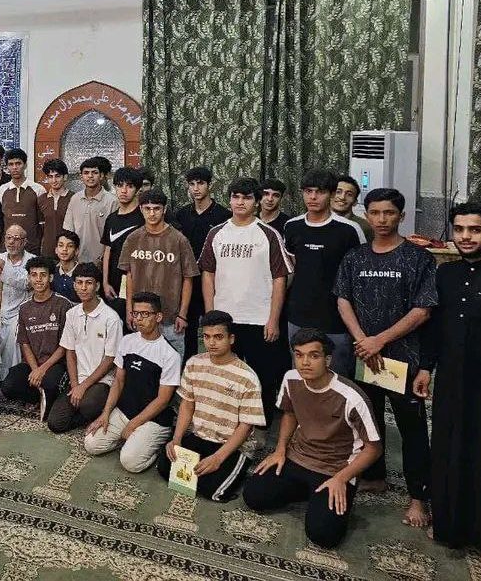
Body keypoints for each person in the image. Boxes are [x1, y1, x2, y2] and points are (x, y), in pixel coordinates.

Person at [414, 202, 481, 574]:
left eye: (475, 230)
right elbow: (435, 328)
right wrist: (426, 367)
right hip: (452, 382)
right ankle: (450, 527)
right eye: (459, 229)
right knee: (449, 450)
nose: (465, 237)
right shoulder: (446, 274)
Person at [334, 187, 436, 527]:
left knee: (412, 430)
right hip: (365, 356)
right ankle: (374, 476)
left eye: (389, 213)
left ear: (401, 216)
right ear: (367, 215)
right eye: (375, 213)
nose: (381, 219)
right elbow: (343, 299)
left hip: (402, 360)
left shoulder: (418, 258)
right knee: (369, 420)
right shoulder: (355, 257)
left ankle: (418, 497)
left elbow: (423, 310)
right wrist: (363, 340)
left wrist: (380, 340)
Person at [243, 328, 381, 549]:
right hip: (298, 457)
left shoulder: (352, 397)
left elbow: (373, 448)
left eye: (313, 356)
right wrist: (280, 450)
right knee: (254, 496)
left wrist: (342, 478)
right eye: (299, 355)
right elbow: (289, 413)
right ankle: (309, 492)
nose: (305, 362)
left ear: (327, 360)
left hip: (335, 468)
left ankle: (324, 496)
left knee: (323, 534)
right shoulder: (291, 379)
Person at [199, 178, 292, 424]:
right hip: (225, 320)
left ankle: (260, 425)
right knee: (226, 373)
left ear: (257, 202)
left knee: (262, 376)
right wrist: (211, 316)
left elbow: (279, 279)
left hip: (259, 319)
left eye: (247, 198)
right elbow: (208, 273)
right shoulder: (216, 233)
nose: (240, 202)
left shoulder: (268, 234)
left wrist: (273, 319)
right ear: (229, 200)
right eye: (236, 197)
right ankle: (228, 421)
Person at [158, 310, 265, 501]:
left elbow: (246, 426)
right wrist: (176, 439)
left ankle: (233, 468)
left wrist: (218, 458)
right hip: (200, 435)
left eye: (218, 337)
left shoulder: (247, 377)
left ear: (231, 339)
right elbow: (187, 405)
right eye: (207, 337)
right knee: (165, 466)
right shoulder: (194, 363)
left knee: (213, 491)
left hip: (231, 444)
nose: (211, 343)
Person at [84, 292, 182, 473]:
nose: (138, 319)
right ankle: (131, 441)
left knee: (130, 462)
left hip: (153, 419)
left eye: (145, 314)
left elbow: (162, 400)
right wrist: (105, 413)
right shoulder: (127, 341)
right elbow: (118, 381)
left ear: (158, 317)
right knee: (91, 444)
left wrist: (133, 425)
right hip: (125, 410)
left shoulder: (170, 355)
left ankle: (154, 446)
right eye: (135, 313)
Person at [283, 169, 365, 379]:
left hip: (336, 319)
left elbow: (359, 277)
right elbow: (289, 272)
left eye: (319, 192)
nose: (313, 197)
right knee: (301, 376)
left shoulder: (349, 229)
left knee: (338, 379)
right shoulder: (292, 226)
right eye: (308, 191)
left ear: (331, 194)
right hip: (298, 316)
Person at [119, 189, 197, 358]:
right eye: (147, 209)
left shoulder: (179, 240)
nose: (152, 213)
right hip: (141, 316)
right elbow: (128, 276)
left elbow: (188, 278)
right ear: (141, 209)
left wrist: (182, 314)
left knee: (172, 367)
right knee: (142, 366)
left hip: (170, 318)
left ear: (164, 209)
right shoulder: (133, 239)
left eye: (156, 208)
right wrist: (129, 310)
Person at [47, 263, 123, 433]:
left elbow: (110, 360)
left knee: (87, 405)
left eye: (88, 283)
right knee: (55, 424)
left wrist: (84, 387)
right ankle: (83, 412)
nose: (83, 288)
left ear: (97, 286)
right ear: (74, 285)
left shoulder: (111, 318)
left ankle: (101, 411)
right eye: (79, 283)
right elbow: (70, 352)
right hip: (78, 379)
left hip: (102, 381)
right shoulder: (72, 314)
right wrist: (75, 384)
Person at [0, 256, 74, 416]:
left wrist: (43, 369)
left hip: (56, 364)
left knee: (50, 384)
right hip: (33, 364)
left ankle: (47, 395)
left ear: (51, 278)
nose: (38, 279)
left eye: (43, 275)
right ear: (29, 278)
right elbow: (24, 343)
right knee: (8, 386)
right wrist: (35, 370)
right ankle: (38, 397)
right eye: (34, 275)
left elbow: (65, 345)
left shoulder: (63, 304)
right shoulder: (24, 308)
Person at [172, 166, 232, 359]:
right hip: (187, 282)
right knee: (187, 331)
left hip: (215, 282)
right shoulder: (181, 215)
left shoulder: (223, 216)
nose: (196, 188)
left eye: (200, 183)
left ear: (210, 185)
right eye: (192, 184)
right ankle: (190, 367)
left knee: (216, 329)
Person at [0, 225, 35, 383]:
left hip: (17, 311)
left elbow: (26, 283)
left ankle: (7, 380)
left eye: (16, 238)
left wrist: (3, 267)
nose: (11, 242)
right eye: (8, 238)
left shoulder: (31, 261)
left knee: (15, 333)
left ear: (24, 242)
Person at [101, 167, 145, 318]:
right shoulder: (111, 219)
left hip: (137, 284)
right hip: (113, 285)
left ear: (138, 190)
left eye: (129, 186)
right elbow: (107, 251)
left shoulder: (143, 218)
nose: (124, 191)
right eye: (120, 186)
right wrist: (105, 282)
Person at [63, 158, 118, 266]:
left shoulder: (112, 201)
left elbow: (114, 236)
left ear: (101, 175)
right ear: (81, 177)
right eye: (86, 173)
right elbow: (69, 231)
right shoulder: (75, 199)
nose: (90, 176)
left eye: (94, 172)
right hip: (77, 261)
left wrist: (104, 259)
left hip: (102, 262)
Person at [0, 149, 44, 256]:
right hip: (7, 249)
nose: (15, 167)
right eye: (11, 164)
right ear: (7, 167)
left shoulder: (38, 189)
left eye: (18, 163)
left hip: (32, 248)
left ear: (25, 165)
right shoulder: (2, 189)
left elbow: (42, 222)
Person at [38, 158, 72, 258]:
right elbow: (40, 228)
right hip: (47, 253)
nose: (54, 180)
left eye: (57, 176)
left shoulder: (74, 198)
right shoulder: (41, 199)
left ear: (65, 177)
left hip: (68, 252)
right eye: (50, 177)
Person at [331, 175, 373, 241]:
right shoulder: (318, 221)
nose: (342, 197)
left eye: (349, 194)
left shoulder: (364, 227)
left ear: (355, 202)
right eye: (338, 192)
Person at [51, 230, 80, 303]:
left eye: (70, 246)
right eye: (61, 245)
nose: (64, 249)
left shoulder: (83, 273)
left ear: (76, 251)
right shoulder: (51, 272)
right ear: (56, 250)